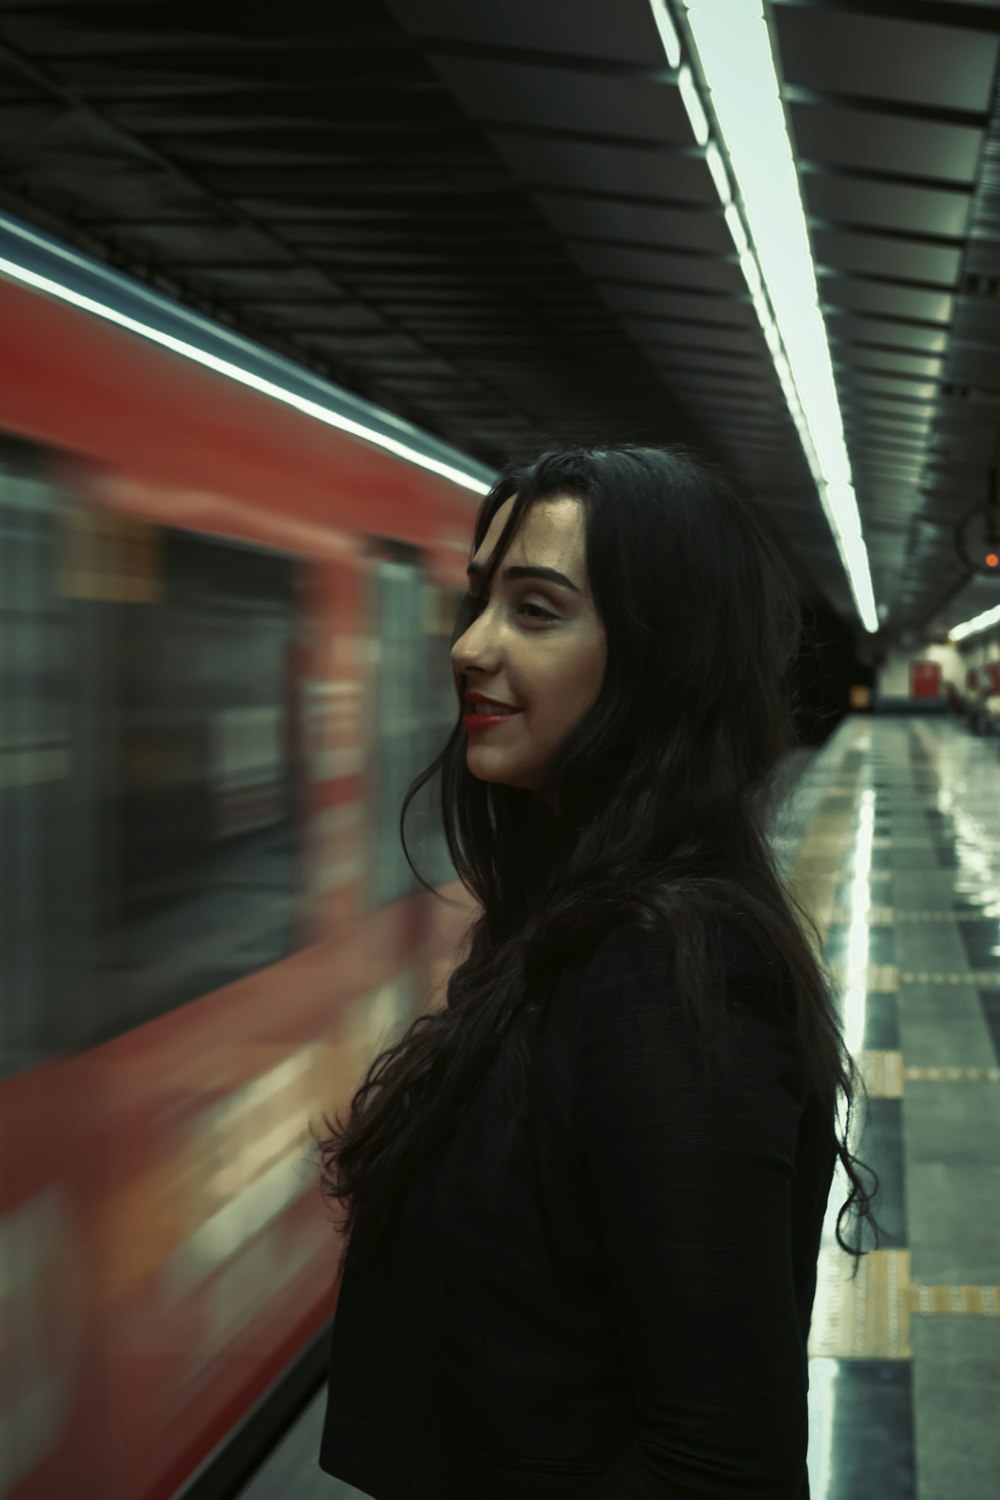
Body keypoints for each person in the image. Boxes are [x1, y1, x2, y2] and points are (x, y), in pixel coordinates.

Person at [316, 445, 878, 1499]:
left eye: (536, 611)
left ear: (661, 659)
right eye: (479, 602)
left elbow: (715, 1469)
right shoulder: (566, 929)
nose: (470, 647)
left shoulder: (671, 979)